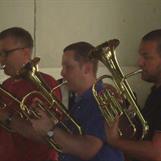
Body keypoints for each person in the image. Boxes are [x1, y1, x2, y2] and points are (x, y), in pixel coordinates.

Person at [31, 41, 124, 161]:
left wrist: (49, 129)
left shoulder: (102, 100)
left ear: (87, 68)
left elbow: (88, 149)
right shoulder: (81, 101)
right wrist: (48, 119)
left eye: (68, 67)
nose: (62, 72)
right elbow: (70, 138)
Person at [0, 27, 60, 161]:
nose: (1, 60)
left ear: (25, 53)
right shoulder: (5, 85)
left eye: (5, 53)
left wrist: (5, 116)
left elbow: (44, 135)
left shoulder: (45, 83)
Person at [105, 29, 161, 161]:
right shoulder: (155, 93)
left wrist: (114, 141)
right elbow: (137, 136)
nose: (139, 63)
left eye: (146, 57)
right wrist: (121, 108)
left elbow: (156, 153)